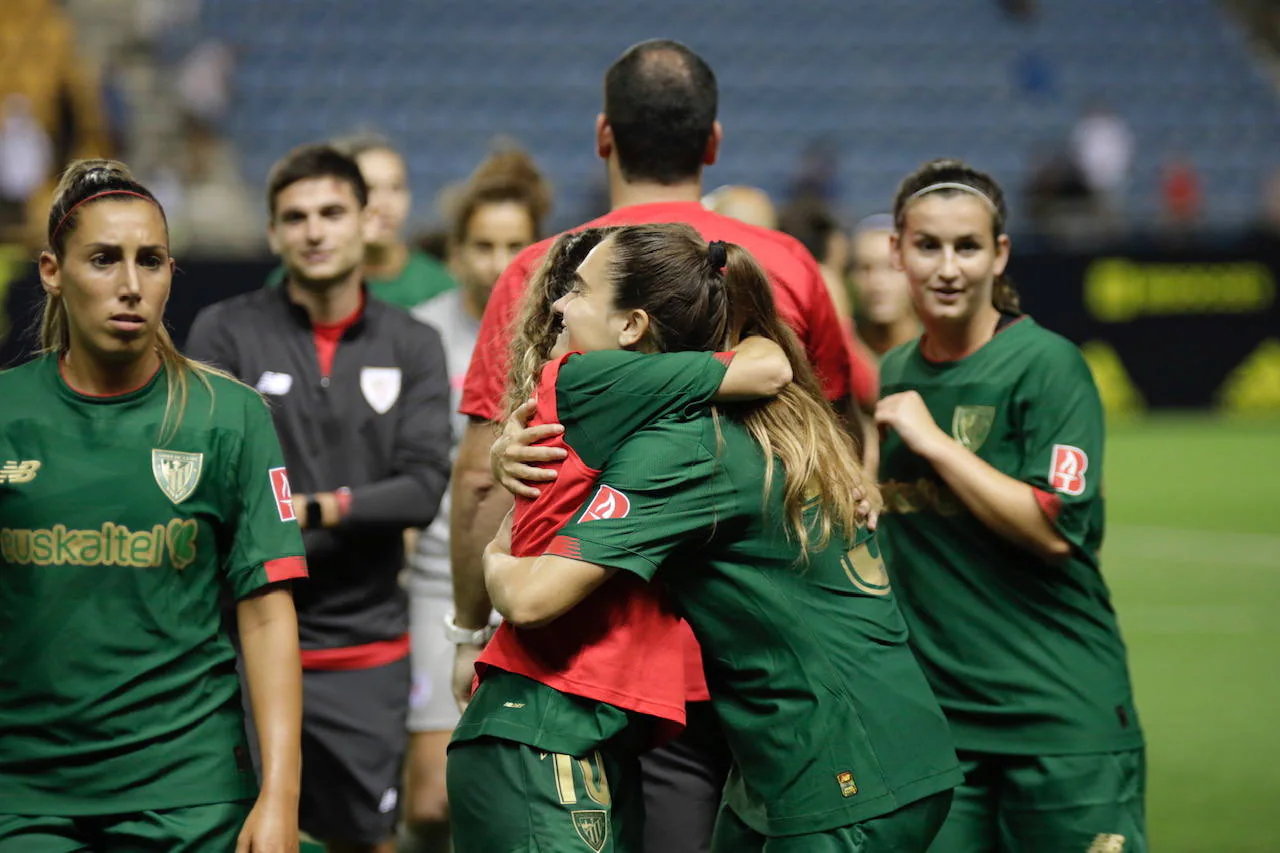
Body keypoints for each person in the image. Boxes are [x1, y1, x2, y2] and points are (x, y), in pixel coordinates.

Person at [451, 42, 865, 851]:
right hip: (741, 662)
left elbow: (479, 479)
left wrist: (470, 627)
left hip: (571, 658)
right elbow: (840, 461)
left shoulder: (547, 267)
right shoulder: (779, 263)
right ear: (712, 143)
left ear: (604, 136)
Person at [478, 223, 962, 852]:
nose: (559, 305)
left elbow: (532, 598)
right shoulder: (764, 410)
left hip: (844, 767)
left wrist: (495, 552)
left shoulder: (685, 447)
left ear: (634, 325)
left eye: (578, 290)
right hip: (819, 752)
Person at [0, 159, 306, 851]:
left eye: (152, 261)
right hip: (22, 794)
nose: (131, 286)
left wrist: (280, 793)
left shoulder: (230, 417)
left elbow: (265, 615)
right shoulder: (5, 411)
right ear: (52, 270)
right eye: (104, 259)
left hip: (187, 792)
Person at [186, 143, 453, 853]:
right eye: (295, 217)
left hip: (366, 648)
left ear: (369, 221)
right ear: (273, 234)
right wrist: (355, 509)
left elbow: (422, 489)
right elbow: (218, 485)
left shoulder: (415, 342)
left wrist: (308, 508)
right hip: (245, 642)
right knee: (240, 837)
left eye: (332, 212)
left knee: (367, 839)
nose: (314, 230)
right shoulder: (223, 329)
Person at [873, 159, 1146, 852]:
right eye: (927, 245)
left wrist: (935, 443)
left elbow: (1057, 531)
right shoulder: (899, 370)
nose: (947, 266)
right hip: (944, 732)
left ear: (999, 254)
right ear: (895, 249)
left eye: (967, 246)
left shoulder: (1048, 366)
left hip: (1058, 721)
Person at [400, 146, 551, 852]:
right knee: (430, 800)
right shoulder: (420, 333)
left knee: (511, 789)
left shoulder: (562, 336)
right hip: (434, 580)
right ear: (454, 251)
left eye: (515, 245)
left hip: (536, 584)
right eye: (482, 245)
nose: (498, 263)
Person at [263, 135, 457, 309]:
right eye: (368, 188)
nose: (383, 205)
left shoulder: (441, 288)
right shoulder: (292, 283)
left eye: (396, 188)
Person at [849, 213, 919, 358]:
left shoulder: (943, 344)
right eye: (865, 268)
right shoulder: (839, 346)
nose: (877, 282)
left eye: (891, 268)